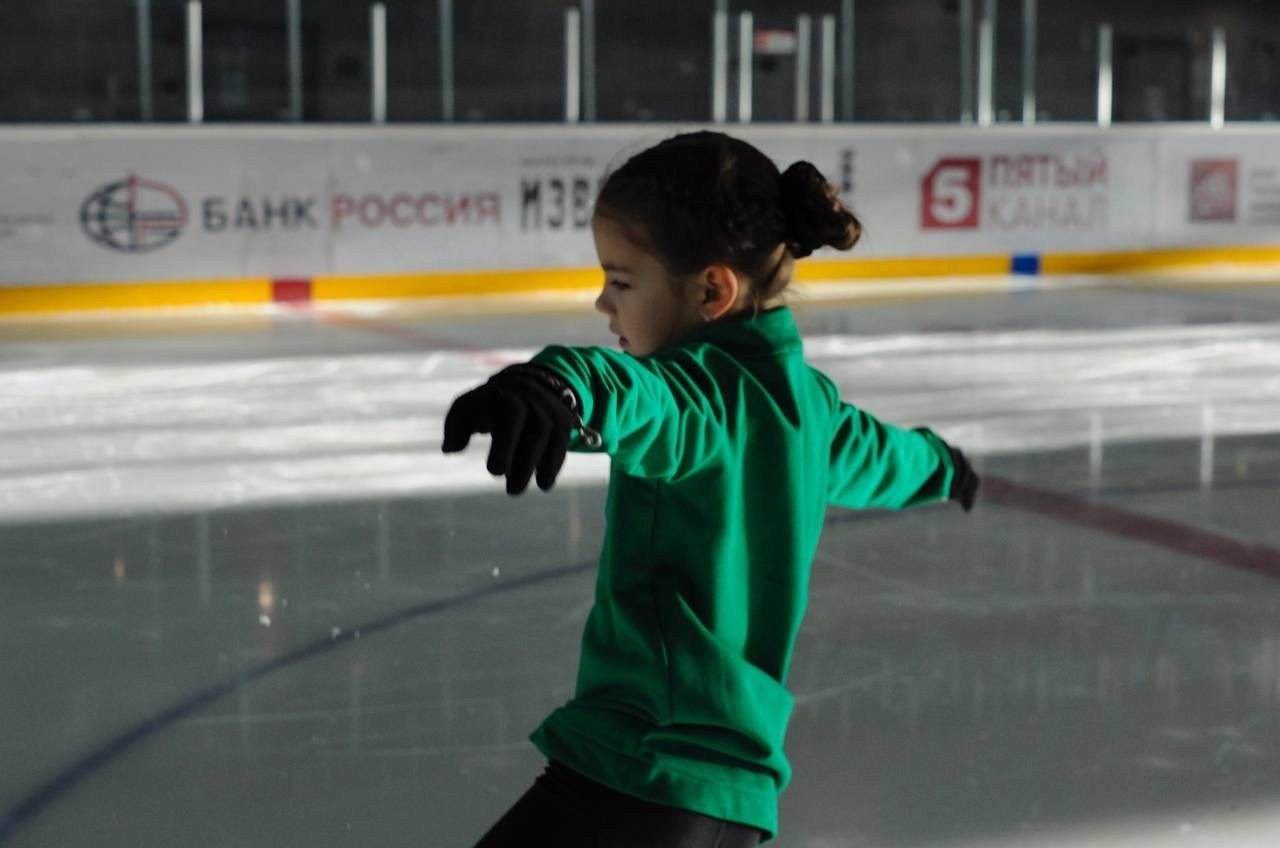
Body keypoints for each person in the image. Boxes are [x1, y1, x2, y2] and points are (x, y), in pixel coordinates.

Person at [442, 130, 979, 847]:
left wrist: (560, 385)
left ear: (710, 290)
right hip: (735, 807)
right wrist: (942, 465)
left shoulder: (700, 399)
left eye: (622, 282)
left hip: (637, 777)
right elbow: (884, 457)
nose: (603, 303)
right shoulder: (810, 409)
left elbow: (635, 395)